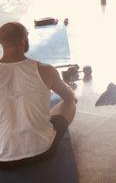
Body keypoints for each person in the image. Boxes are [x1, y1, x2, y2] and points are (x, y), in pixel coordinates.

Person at [0, 22, 77, 168]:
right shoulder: (45, 70)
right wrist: (69, 89)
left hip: (1, 160)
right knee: (70, 103)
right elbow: (68, 97)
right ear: (24, 40)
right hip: (41, 151)